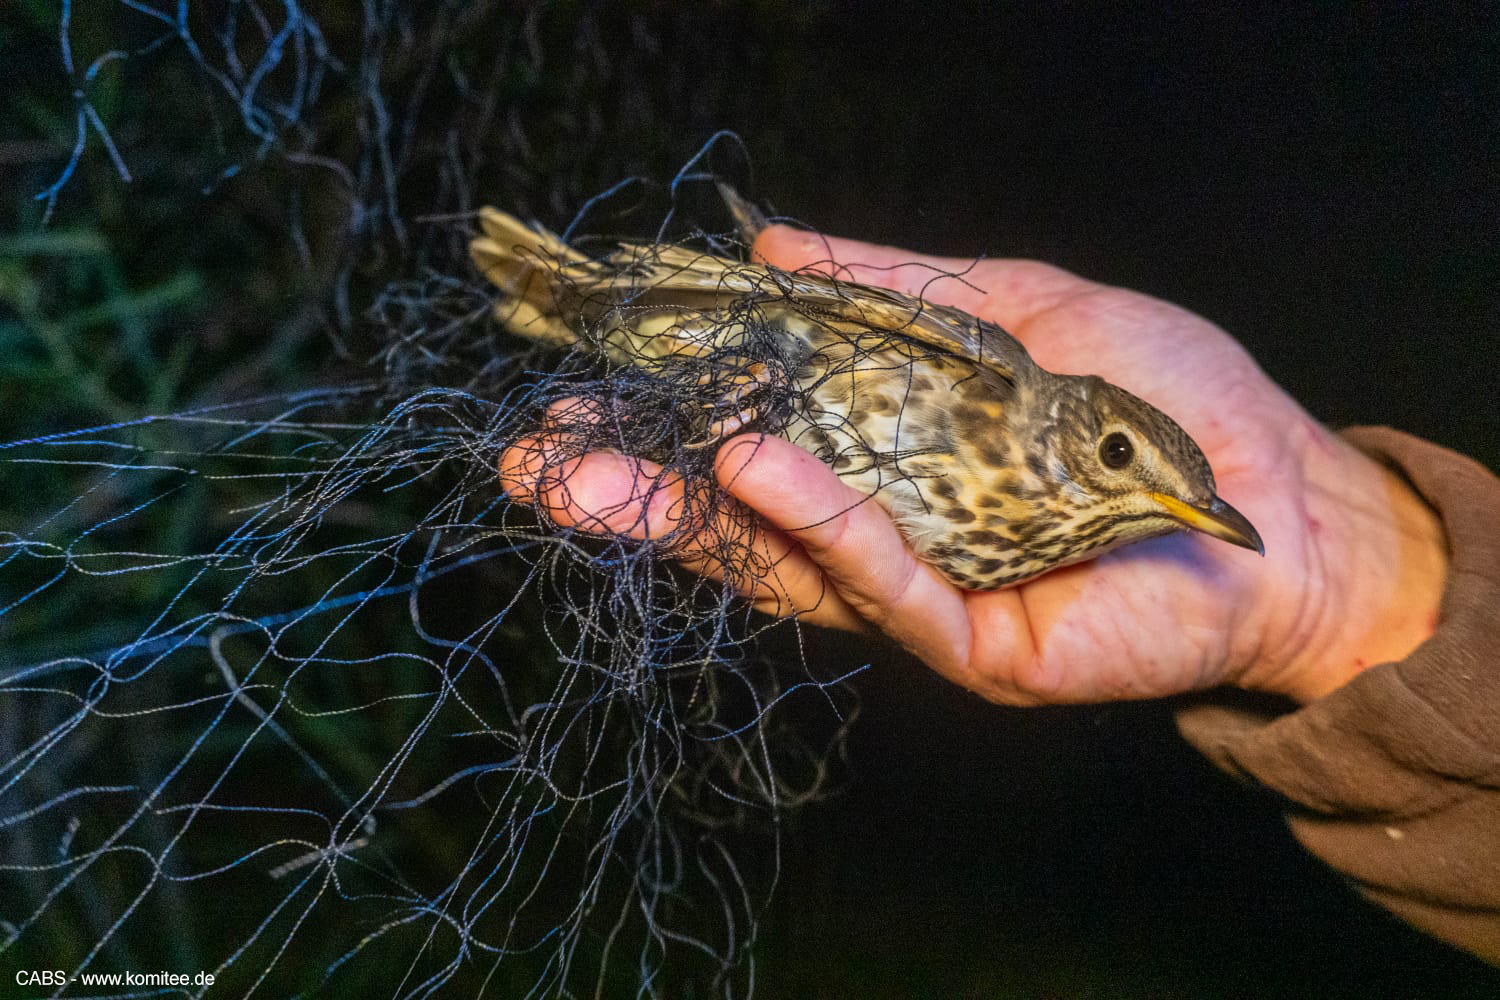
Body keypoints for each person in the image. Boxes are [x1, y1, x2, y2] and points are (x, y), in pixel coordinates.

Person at [499, 223, 1500, 964]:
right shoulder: (1002, 379)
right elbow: (825, 310)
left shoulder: (1024, 557)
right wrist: (646, 302)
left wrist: (1316, 598)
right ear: (1081, 412)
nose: (1146, 495)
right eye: (1120, 454)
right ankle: (569, 303)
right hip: (737, 351)